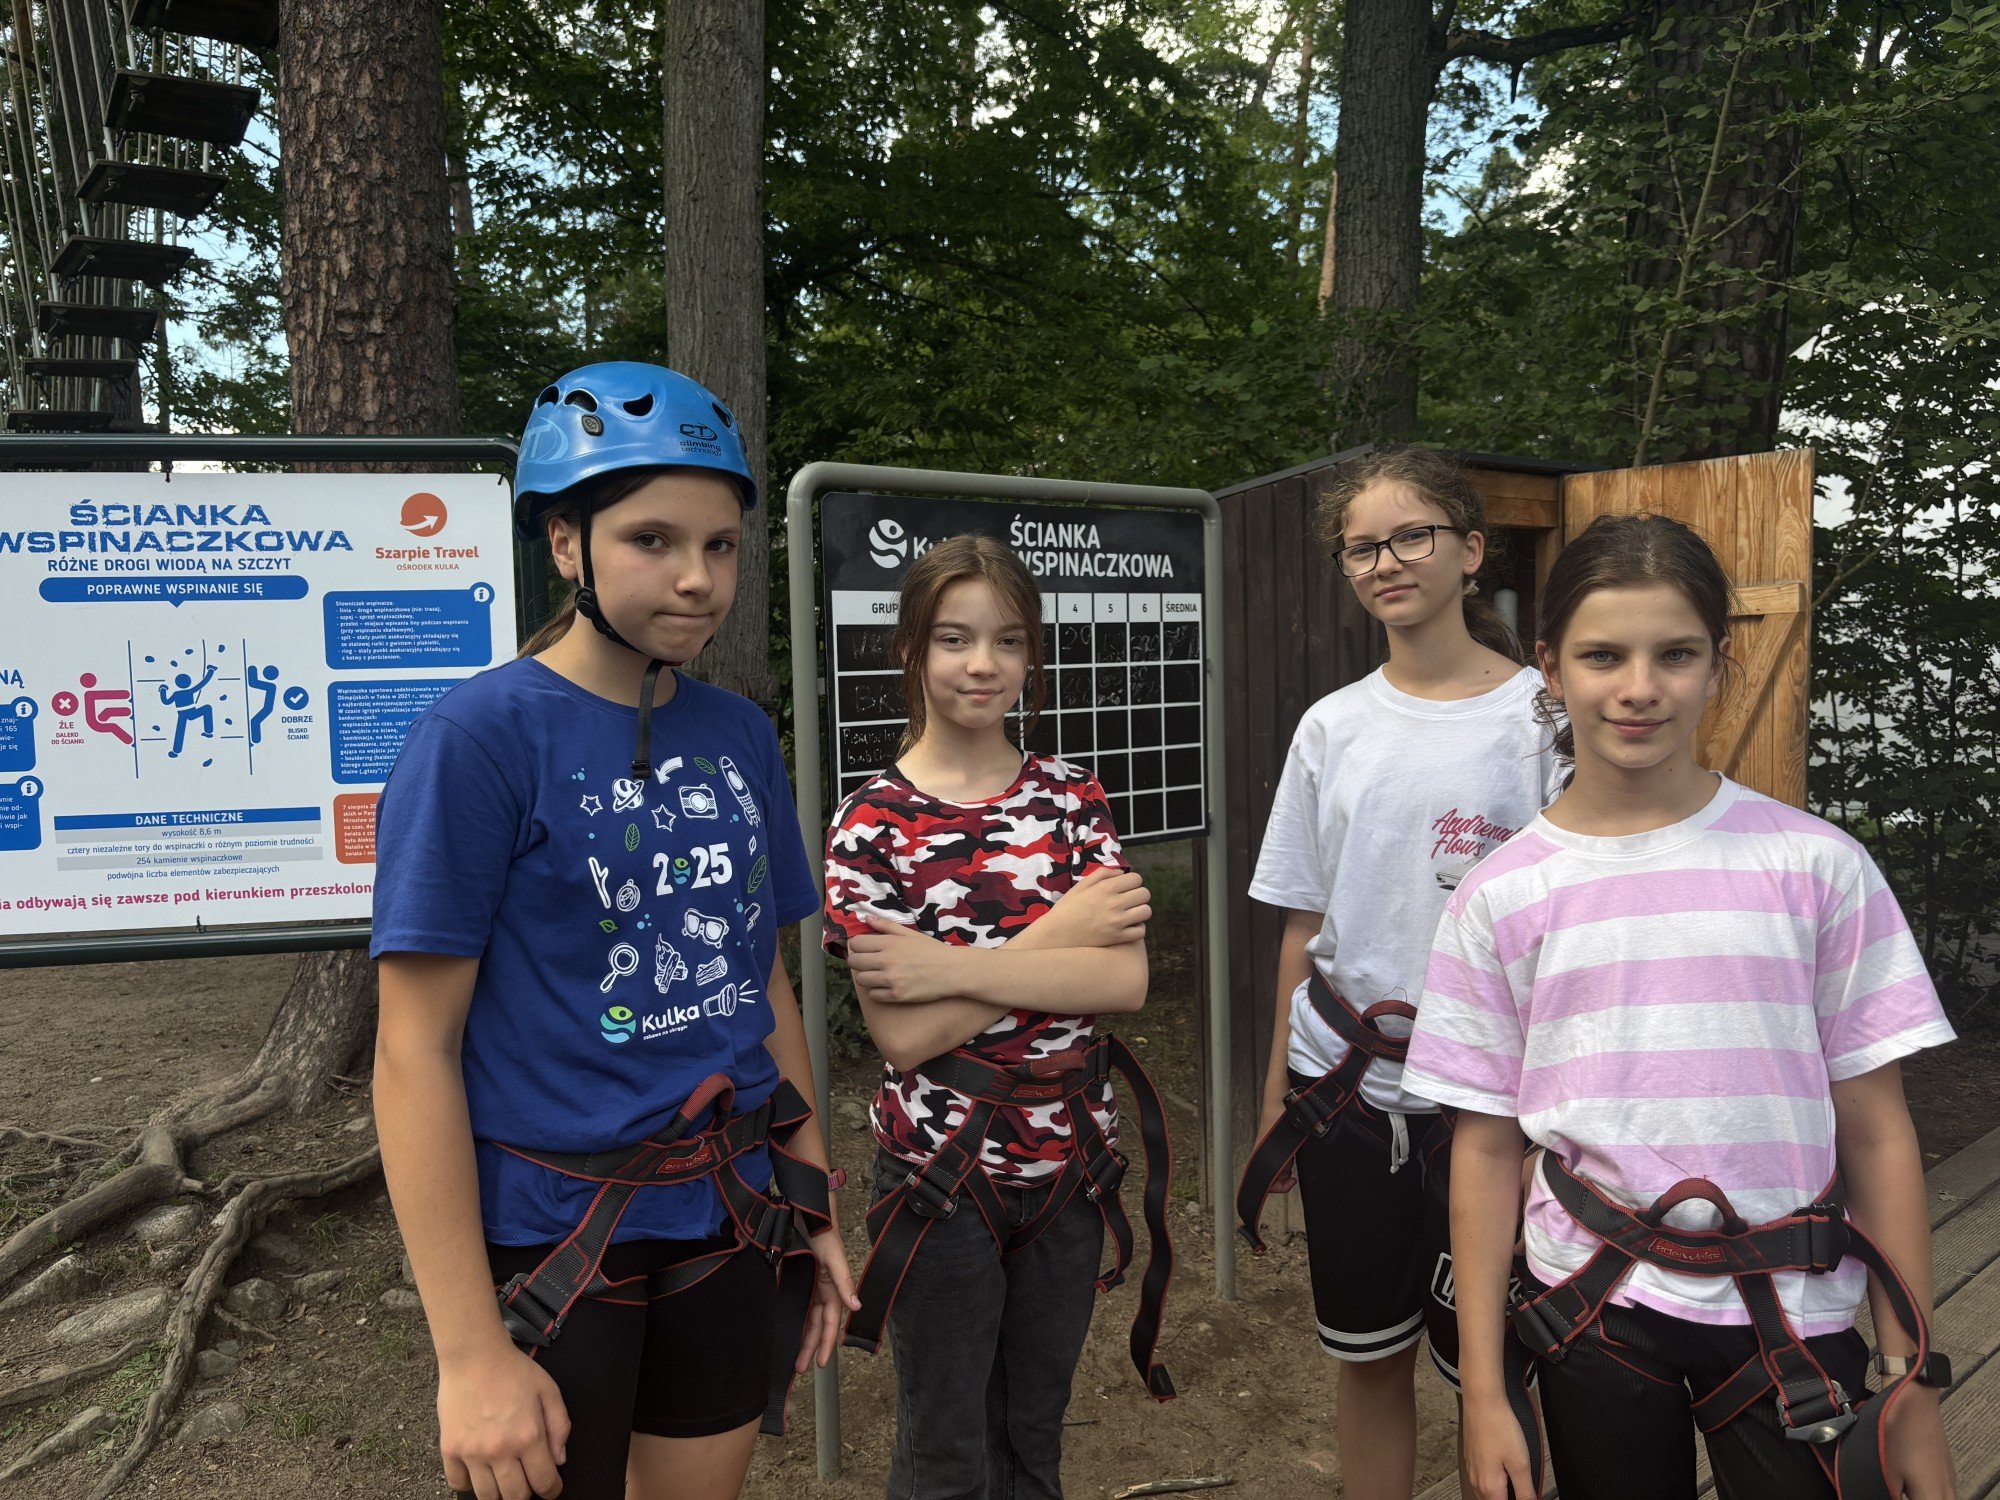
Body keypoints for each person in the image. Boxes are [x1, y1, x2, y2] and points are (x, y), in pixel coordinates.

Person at [370, 362, 857, 1500]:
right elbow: (413, 1048)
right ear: (564, 544)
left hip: (728, 1212)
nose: (697, 578)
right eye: (652, 540)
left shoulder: (738, 733)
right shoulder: (479, 739)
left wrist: (812, 1201)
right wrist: (468, 1356)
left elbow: (761, 984)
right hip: (554, 1231)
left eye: (721, 546)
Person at [1405, 512, 1958, 1500]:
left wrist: (1908, 1378)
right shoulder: (1500, 896)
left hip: (1792, 1313)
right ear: (1548, 667)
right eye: (1602, 656)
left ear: (1716, 664)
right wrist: (1484, 1392)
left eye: (1674, 654)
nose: (1638, 687)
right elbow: (1483, 1151)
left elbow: (1876, 1131)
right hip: (1592, 1312)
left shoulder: (1815, 867)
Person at [822, 533, 1175, 1500]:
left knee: (1031, 1443)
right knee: (945, 1455)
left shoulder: (1073, 799)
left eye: (1008, 640)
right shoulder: (870, 823)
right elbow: (904, 1038)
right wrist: (1062, 936)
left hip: (1071, 1170)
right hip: (941, 1178)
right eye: (954, 638)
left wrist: (945, 967)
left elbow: (1124, 983)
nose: (983, 664)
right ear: (911, 649)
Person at [1238, 446, 1558, 1500]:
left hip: (1494, 1103)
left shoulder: (1541, 721)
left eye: (1411, 536)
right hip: (1346, 1090)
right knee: (1366, 1355)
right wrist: (1276, 1099)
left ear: (1470, 550)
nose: (1385, 562)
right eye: (1361, 547)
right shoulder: (1331, 726)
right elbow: (1304, 923)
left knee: (1494, 1374)